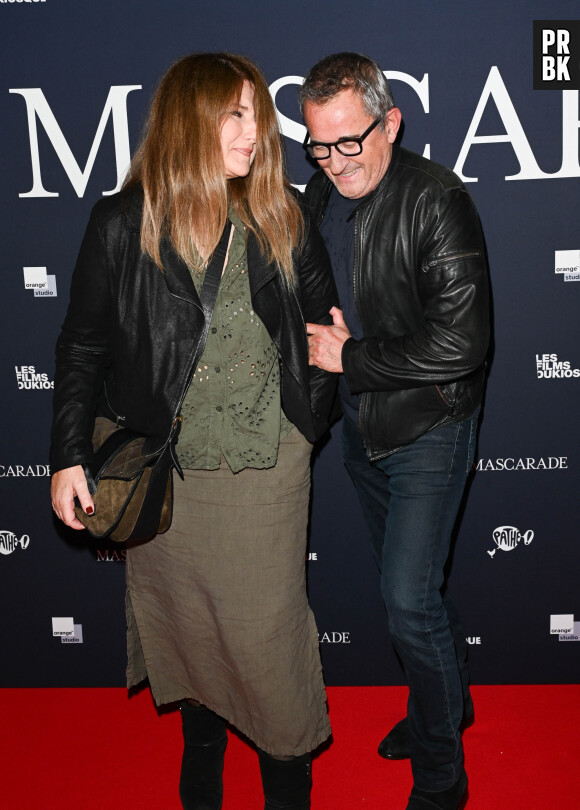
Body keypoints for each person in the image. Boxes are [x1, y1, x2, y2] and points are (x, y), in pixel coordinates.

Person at [50, 52, 338, 810]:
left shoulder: (282, 212)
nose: (256, 132)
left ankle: (287, 790)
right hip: (166, 473)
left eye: (256, 114)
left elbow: (320, 328)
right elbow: (81, 343)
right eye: (236, 115)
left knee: (269, 645)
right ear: (190, 122)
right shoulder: (125, 221)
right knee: (189, 633)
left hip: (265, 469)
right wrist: (68, 455)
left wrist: (312, 418)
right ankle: (202, 770)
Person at [299, 52, 490, 810]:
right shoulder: (318, 191)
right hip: (360, 431)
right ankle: (448, 706)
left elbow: (463, 343)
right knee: (414, 598)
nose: (337, 162)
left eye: (351, 141)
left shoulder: (438, 200)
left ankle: (442, 779)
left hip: (431, 425)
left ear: (391, 123)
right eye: (319, 144)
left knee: (408, 601)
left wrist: (354, 357)